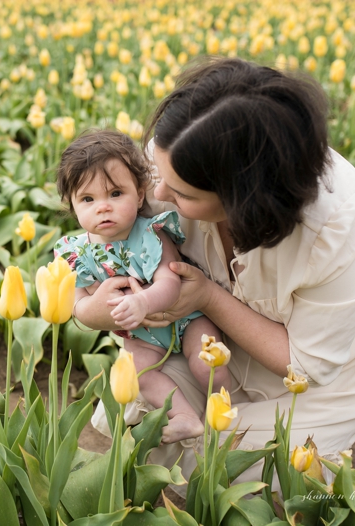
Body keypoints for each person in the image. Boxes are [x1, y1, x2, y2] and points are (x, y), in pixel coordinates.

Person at [81, 58, 355, 480]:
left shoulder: (334, 223)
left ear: (243, 198)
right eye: (158, 175)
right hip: (204, 340)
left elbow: (304, 366)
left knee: (260, 474)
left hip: (315, 373)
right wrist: (92, 309)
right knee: (144, 417)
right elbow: (101, 243)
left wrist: (208, 297)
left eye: (180, 192)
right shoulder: (176, 152)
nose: (156, 193)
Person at [52, 129, 229, 444]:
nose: (103, 207)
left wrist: (144, 304)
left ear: (140, 194)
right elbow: (76, 302)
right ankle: (185, 416)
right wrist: (91, 311)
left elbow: (170, 282)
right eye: (88, 199)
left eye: (115, 194)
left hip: (185, 319)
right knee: (138, 377)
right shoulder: (75, 253)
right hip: (142, 336)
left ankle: (225, 409)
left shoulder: (150, 234)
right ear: (72, 205)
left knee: (206, 358)